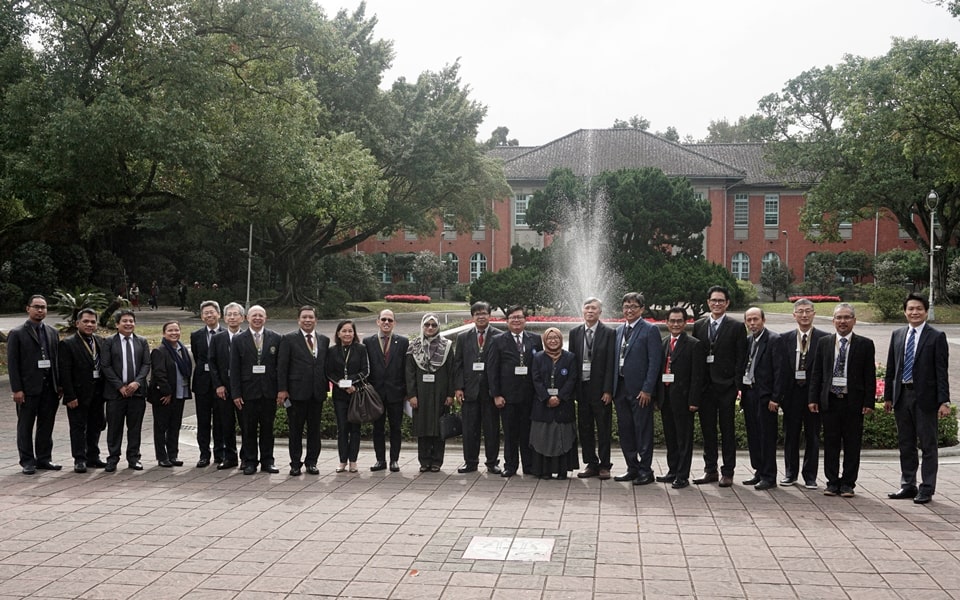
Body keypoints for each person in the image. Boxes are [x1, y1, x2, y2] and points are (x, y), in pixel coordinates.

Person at [884, 293, 951, 505]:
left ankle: (927, 488)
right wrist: (888, 396)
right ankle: (908, 485)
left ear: (925, 311)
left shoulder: (936, 336)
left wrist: (944, 400)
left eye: (919, 309)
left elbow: (942, 371)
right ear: (905, 312)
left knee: (928, 445)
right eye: (911, 309)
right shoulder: (897, 334)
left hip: (926, 399)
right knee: (906, 443)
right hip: (902, 395)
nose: (914, 312)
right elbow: (891, 369)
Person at [808, 303, 876, 498]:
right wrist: (813, 398)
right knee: (830, 444)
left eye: (847, 317)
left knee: (852, 445)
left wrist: (868, 402)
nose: (842, 321)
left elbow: (869, 376)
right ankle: (831, 482)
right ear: (833, 321)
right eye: (839, 318)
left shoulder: (865, 344)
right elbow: (817, 373)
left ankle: (847, 483)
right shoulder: (824, 342)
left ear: (854, 321)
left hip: (853, 402)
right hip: (830, 401)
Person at [692, 285, 747, 488]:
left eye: (720, 301)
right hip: (706, 388)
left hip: (726, 387)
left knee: (727, 430)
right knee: (708, 431)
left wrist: (737, 385)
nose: (716, 304)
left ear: (727, 303)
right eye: (713, 300)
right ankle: (710, 470)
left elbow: (741, 359)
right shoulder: (699, 325)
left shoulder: (736, 327)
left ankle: (728, 471)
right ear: (708, 302)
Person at [610, 292, 663, 485]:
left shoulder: (650, 330)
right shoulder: (617, 331)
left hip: (640, 391)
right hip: (620, 389)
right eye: (626, 306)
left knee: (643, 431)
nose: (629, 310)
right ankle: (631, 467)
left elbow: (654, 362)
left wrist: (648, 389)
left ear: (641, 309)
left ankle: (645, 470)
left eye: (633, 306)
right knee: (625, 431)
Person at [7, 295, 62, 474]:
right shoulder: (17, 334)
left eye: (43, 307)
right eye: (36, 307)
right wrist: (17, 389)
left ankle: (44, 458)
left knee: (46, 426)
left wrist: (59, 385)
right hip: (28, 389)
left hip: (49, 388)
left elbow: (57, 360)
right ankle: (27, 461)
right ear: (28, 308)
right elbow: (13, 364)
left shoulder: (53, 332)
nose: (40, 310)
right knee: (25, 426)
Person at [487, 305, 543, 478]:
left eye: (519, 317)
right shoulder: (498, 340)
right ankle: (510, 465)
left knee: (527, 432)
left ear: (525, 320)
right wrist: (496, 394)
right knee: (510, 434)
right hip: (507, 396)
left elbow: (540, 367)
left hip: (529, 396)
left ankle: (529, 465)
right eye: (513, 318)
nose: (516, 320)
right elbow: (492, 369)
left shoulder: (534, 339)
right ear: (507, 321)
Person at [779, 298, 827, 489]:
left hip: (812, 396)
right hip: (791, 396)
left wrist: (818, 396)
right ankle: (790, 473)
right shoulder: (784, 339)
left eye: (808, 311)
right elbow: (781, 370)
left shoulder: (824, 339)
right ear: (794, 315)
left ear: (814, 314)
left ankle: (810, 476)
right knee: (790, 435)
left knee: (813, 436)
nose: (804, 315)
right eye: (800, 311)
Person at [655, 307, 705, 489]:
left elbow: (697, 376)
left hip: (684, 401)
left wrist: (694, 401)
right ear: (666, 323)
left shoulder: (694, 344)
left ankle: (682, 475)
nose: (675, 324)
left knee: (684, 438)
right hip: (666, 399)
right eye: (672, 321)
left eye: (679, 321)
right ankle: (672, 470)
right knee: (670, 437)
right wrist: (657, 398)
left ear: (685, 323)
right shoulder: (663, 343)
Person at [278, 306, 330, 476]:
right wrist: (283, 389)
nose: (308, 320)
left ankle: (312, 462)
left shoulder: (324, 340)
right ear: (298, 320)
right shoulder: (288, 339)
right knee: (295, 431)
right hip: (296, 393)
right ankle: (295, 463)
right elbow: (282, 367)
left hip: (317, 393)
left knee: (315, 430)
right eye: (304, 317)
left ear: (316, 320)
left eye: (311, 317)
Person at [229, 305, 281, 475]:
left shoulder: (276, 338)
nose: (257, 318)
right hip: (247, 392)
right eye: (254, 315)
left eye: (261, 315)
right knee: (248, 429)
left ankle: (268, 461)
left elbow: (279, 367)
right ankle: (250, 461)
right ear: (247, 318)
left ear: (265, 318)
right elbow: (234, 368)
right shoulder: (238, 340)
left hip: (269, 392)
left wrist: (281, 390)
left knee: (267, 428)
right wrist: (235, 393)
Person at [568, 297, 616, 480]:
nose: (590, 311)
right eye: (587, 308)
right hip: (582, 389)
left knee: (603, 428)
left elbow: (611, 363)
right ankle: (591, 463)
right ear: (582, 310)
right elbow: (572, 362)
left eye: (594, 308)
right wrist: (572, 390)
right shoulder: (575, 333)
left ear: (600, 312)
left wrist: (608, 390)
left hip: (600, 390)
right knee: (585, 428)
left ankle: (605, 465)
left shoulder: (609, 333)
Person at [453, 301, 503, 474]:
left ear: (490, 315)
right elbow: (458, 364)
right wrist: (458, 387)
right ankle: (470, 462)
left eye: (484, 313)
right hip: (470, 391)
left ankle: (492, 462)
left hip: (491, 392)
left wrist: (499, 391)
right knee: (469, 430)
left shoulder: (499, 336)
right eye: (477, 314)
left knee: (492, 429)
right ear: (472, 317)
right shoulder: (463, 337)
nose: (481, 316)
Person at [58, 308, 107, 472]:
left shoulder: (100, 341)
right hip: (78, 394)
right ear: (77, 323)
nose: (90, 324)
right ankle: (79, 459)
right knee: (78, 427)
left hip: (98, 394)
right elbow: (64, 372)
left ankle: (93, 456)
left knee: (96, 425)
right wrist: (70, 395)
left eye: (93, 321)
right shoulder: (68, 343)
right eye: (86, 321)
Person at [102, 309, 151, 471]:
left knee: (135, 427)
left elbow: (146, 364)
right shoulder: (108, 342)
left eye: (131, 321)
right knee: (114, 427)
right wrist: (120, 386)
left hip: (136, 393)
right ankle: (113, 458)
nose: (128, 323)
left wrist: (137, 383)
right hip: (115, 394)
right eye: (124, 321)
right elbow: (106, 366)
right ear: (117, 324)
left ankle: (134, 457)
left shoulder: (142, 341)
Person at [739, 307, 783, 491]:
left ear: (763, 320)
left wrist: (776, 398)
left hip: (766, 397)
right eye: (749, 320)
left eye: (755, 319)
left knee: (766, 436)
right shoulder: (748, 341)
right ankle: (758, 471)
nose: (752, 323)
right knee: (754, 436)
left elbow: (780, 372)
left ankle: (769, 475)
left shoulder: (774, 340)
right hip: (749, 393)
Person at [406, 314, 456, 472]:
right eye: (427, 324)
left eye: (433, 325)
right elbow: (409, 373)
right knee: (423, 427)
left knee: (439, 427)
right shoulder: (414, 346)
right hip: (421, 393)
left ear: (438, 327)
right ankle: (424, 460)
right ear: (422, 326)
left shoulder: (446, 346)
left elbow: (451, 372)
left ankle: (436, 461)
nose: (430, 328)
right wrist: (411, 395)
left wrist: (450, 394)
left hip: (440, 393)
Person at [530, 327, 579, 480]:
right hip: (542, 404)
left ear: (560, 340)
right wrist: (546, 397)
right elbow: (536, 379)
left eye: (556, 338)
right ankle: (545, 470)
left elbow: (572, 379)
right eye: (549, 338)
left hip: (563, 405)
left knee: (562, 436)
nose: (553, 341)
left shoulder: (570, 357)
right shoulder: (538, 357)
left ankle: (562, 470)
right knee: (543, 436)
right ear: (545, 340)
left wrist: (560, 397)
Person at [364, 309, 409, 473]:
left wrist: (407, 391)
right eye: (383, 319)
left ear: (394, 323)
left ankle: (394, 460)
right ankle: (380, 460)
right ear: (377, 321)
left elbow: (406, 368)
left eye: (390, 320)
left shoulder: (403, 342)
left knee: (396, 428)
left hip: (396, 393)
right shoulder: (367, 342)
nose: (386, 322)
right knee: (378, 428)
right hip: (375, 395)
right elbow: (365, 367)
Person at [326, 319, 370, 473]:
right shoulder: (331, 351)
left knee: (355, 428)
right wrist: (339, 383)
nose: (347, 334)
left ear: (354, 333)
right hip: (339, 395)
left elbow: (366, 371)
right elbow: (328, 372)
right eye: (344, 331)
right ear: (338, 333)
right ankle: (342, 460)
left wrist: (352, 383)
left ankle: (353, 461)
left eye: (350, 331)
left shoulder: (361, 349)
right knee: (342, 429)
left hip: (356, 394)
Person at [148, 321, 192, 467]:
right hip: (164, 396)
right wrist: (166, 392)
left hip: (180, 394)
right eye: (170, 331)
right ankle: (162, 456)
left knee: (175, 426)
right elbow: (159, 374)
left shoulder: (182, 349)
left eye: (176, 330)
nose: (174, 333)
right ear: (164, 333)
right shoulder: (159, 351)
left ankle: (173, 454)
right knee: (161, 427)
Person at [209, 302, 245, 470]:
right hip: (224, 388)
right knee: (226, 424)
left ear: (242, 318)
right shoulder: (217, 338)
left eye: (235, 314)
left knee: (246, 424)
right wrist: (218, 385)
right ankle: (230, 457)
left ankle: (247, 457)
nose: (232, 317)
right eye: (229, 314)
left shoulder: (248, 337)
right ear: (224, 317)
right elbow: (212, 363)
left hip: (243, 389)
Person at [191, 300, 225, 468]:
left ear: (218, 314)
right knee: (203, 421)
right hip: (202, 384)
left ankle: (220, 454)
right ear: (202, 316)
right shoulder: (196, 335)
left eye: (212, 312)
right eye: (205, 313)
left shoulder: (226, 334)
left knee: (220, 420)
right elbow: (198, 358)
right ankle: (204, 454)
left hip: (221, 385)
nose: (209, 315)